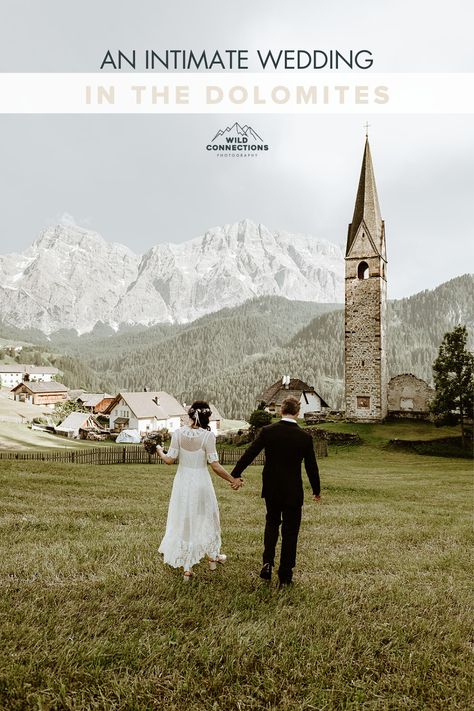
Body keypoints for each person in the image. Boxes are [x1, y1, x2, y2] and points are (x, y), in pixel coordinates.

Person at [231, 396, 320, 587]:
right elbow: (311, 467)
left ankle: (267, 563)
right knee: (290, 531)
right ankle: (285, 574)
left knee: (272, 523)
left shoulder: (268, 431)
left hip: (271, 487)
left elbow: (250, 452)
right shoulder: (304, 437)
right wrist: (316, 490)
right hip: (293, 490)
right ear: (298, 412)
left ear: (281, 411)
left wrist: (236, 474)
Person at [156, 401, 243, 580]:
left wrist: (158, 449)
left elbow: (169, 460)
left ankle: (188, 568)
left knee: (185, 518)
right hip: (201, 482)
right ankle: (213, 557)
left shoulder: (178, 433)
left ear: (190, 415)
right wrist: (232, 479)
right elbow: (215, 466)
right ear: (207, 417)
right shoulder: (208, 437)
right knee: (207, 517)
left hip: (182, 482)